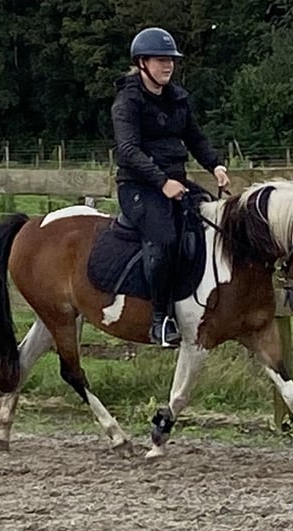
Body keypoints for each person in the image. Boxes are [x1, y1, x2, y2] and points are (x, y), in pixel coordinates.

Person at [111, 27, 230, 348]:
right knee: (163, 237)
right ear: (142, 63)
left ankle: (198, 301)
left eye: (171, 61)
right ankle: (159, 320)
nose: (168, 66)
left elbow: (194, 137)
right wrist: (162, 182)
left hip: (174, 179)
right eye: (161, 60)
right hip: (138, 185)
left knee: (206, 219)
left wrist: (215, 165)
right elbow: (128, 151)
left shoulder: (177, 97)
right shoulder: (127, 101)